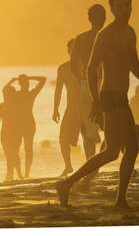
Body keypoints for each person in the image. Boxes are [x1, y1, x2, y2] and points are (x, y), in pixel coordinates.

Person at [56, 0, 139, 210]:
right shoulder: (106, 35)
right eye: (119, 6)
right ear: (112, 10)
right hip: (109, 96)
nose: (124, 9)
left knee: (112, 151)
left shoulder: (129, 33)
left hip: (120, 97)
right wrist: (96, 101)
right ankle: (119, 200)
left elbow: (133, 64)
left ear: (131, 6)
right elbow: (91, 68)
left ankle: (67, 184)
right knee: (131, 147)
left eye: (127, 5)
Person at [70, 5, 107, 155]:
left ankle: (91, 165)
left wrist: (82, 81)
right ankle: (103, 156)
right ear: (104, 18)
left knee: (87, 128)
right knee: (114, 125)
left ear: (89, 19)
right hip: (106, 82)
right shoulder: (108, 35)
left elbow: (73, 66)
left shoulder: (80, 39)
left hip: (86, 84)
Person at [52, 39, 82, 177]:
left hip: (87, 107)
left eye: (77, 49)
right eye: (72, 49)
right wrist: (55, 109)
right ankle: (68, 166)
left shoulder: (87, 66)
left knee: (89, 138)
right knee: (63, 139)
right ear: (68, 51)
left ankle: (92, 167)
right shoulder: (63, 68)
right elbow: (58, 90)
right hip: (71, 108)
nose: (74, 51)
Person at [8, 74, 46, 178]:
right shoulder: (16, 94)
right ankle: (19, 173)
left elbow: (43, 79)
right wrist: (14, 80)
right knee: (16, 148)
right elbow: (5, 90)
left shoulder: (31, 94)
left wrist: (28, 77)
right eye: (25, 83)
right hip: (19, 124)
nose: (27, 84)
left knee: (28, 149)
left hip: (28, 124)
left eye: (27, 83)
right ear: (21, 84)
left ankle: (26, 173)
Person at [0, 80, 23, 182]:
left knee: (14, 154)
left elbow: (21, 120)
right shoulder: (1, 106)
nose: (5, 96)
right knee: (9, 155)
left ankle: (14, 174)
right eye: (5, 94)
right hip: (5, 134)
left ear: (12, 94)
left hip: (16, 133)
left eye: (7, 94)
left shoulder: (17, 105)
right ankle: (12, 174)